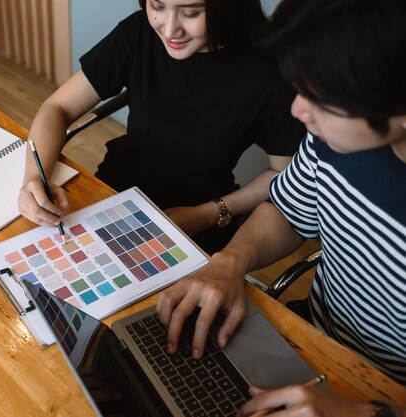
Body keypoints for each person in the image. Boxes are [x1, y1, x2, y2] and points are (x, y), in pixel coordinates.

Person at [156, 0, 406, 415]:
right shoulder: (334, 139)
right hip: (311, 341)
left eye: (321, 99)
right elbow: (287, 212)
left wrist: (366, 413)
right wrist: (230, 260)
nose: (297, 110)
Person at [18, 0, 306, 254]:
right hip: (115, 192)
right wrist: (33, 178)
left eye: (190, 13)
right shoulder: (139, 31)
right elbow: (58, 107)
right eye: (157, 6)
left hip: (195, 219)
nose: (169, 30)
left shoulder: (270, 70)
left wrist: (207, 214)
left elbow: (284, 174)